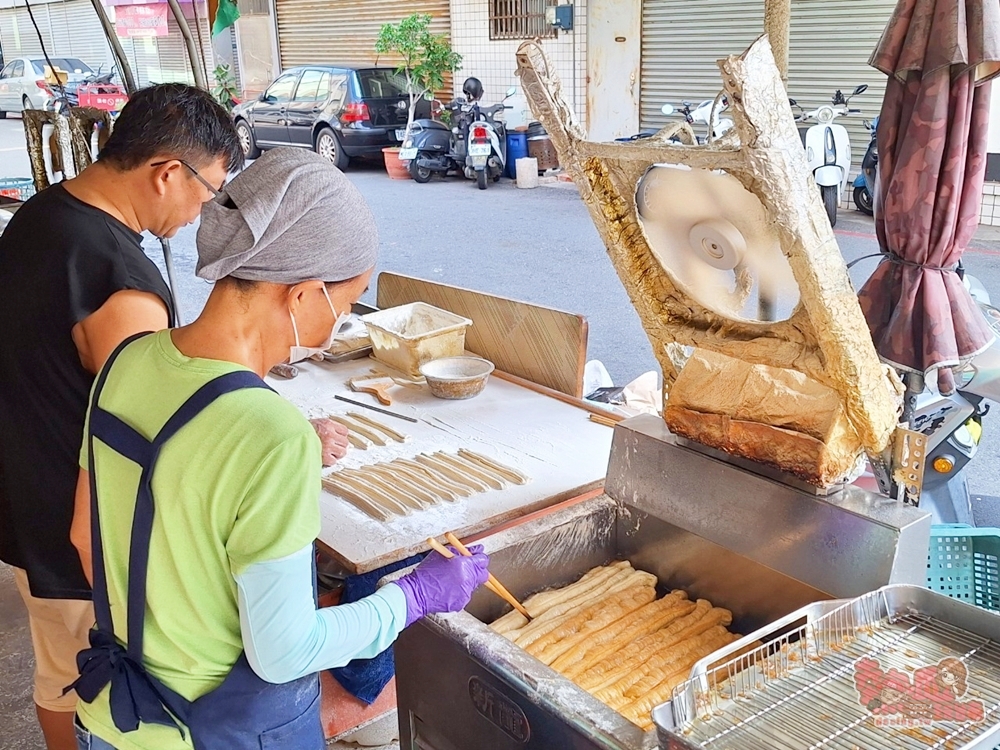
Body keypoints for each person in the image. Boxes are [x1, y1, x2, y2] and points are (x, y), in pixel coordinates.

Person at [68, 147, 489, 750]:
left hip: (112, 718)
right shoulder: (271, 433)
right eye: (344, 304)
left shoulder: (129, 361)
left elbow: (86, 536)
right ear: (301, 295)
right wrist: (415, 596)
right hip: (211, 733)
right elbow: (285, 651)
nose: (339, 322)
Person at [0, 83, 242, 750]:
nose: (199, 212)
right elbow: (149, 423)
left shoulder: (42, 215)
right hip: (80, 530)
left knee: (56, 678)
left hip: (23, 502)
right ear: (167, 173)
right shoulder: (120, 279)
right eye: (206, 191)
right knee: (97, 695)